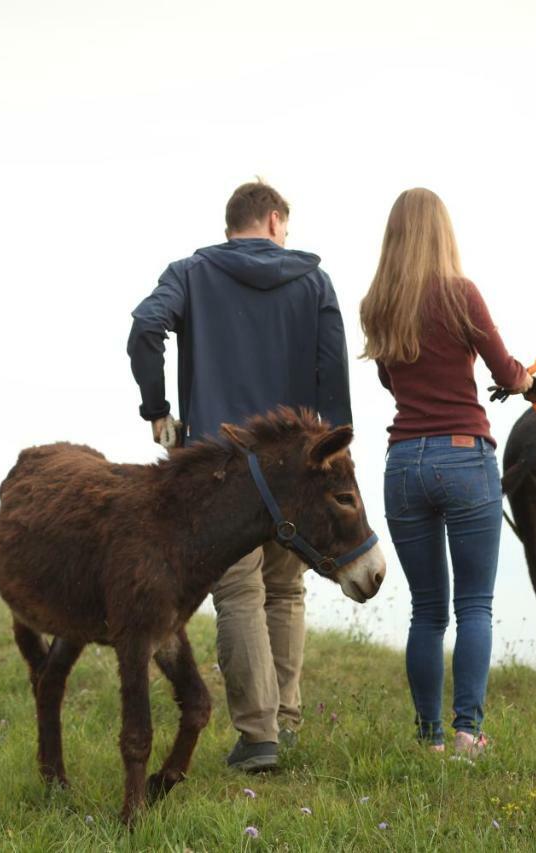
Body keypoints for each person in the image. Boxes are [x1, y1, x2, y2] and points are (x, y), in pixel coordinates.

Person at [127, 180, 351, 772]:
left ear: (236, 223)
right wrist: (334, 460)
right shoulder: (313, 282)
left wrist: (158, 412)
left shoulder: (190, 274)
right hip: (298, 471)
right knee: (285, 589)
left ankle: (259, 737)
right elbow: (335, 379)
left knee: (239, 593)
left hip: (222, 471)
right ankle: (286, 721)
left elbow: (145, 332)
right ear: (275, 220)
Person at [359, 188, 536, 758]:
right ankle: (469, 733)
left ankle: (429, 740)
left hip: (403, 463)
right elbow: (507, 372)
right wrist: (531, 382)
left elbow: (391, 382)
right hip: (465, 455)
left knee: (427, 610)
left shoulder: (378, 303)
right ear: (442, 233)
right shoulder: (461, 294)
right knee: (474, 605)